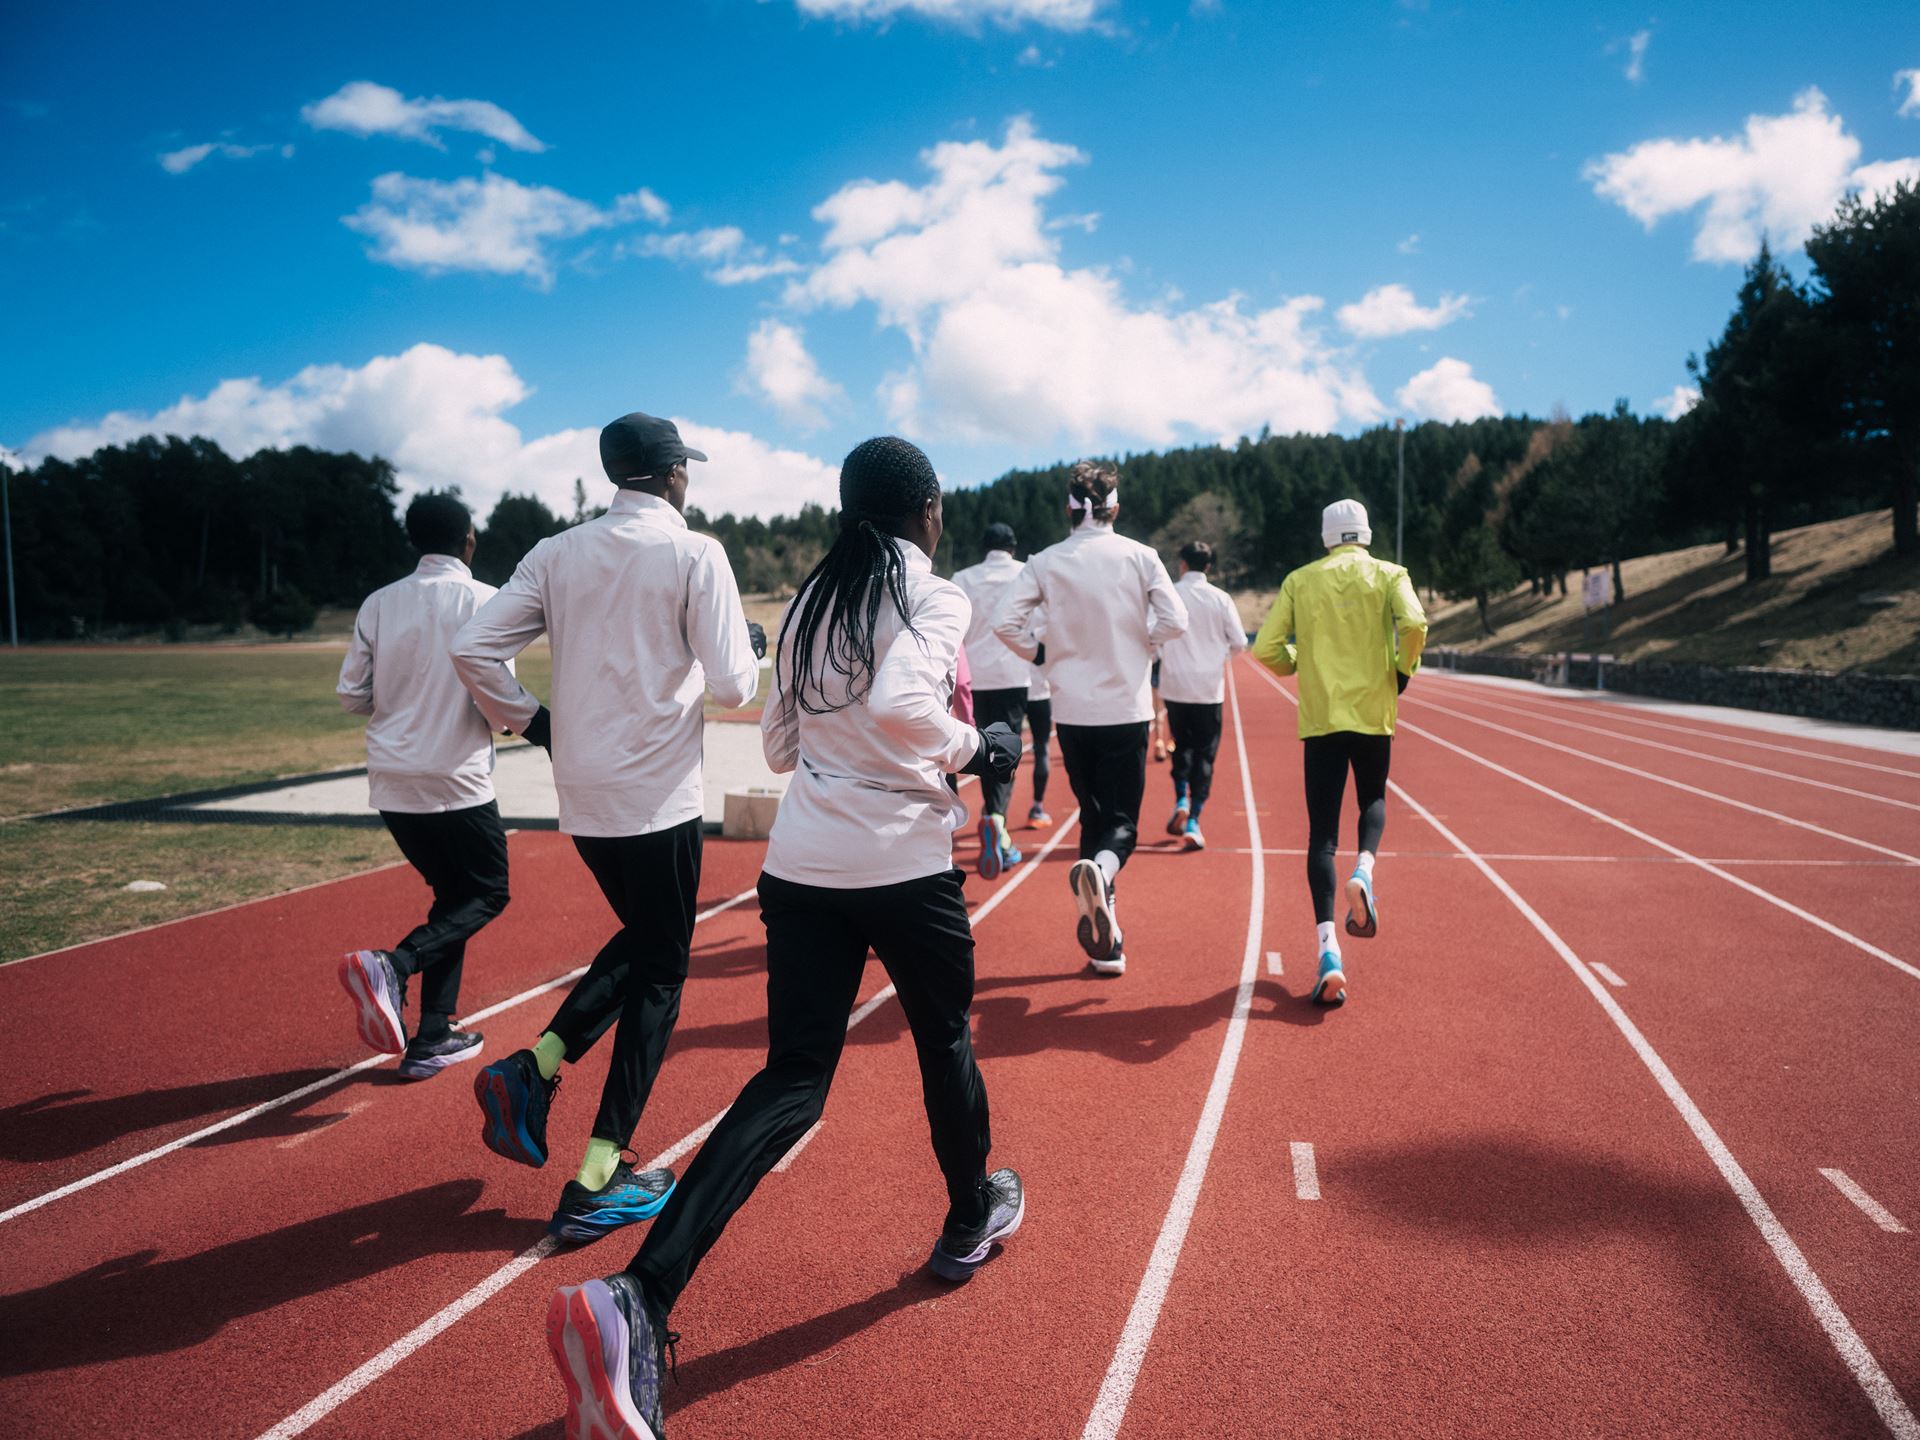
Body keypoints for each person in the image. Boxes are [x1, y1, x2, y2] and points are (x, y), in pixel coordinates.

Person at [544, 436, 1025, 1439]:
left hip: (803, 862)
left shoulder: (812, 597)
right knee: (942, 1036)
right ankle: (969, 1214)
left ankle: (640, 1295)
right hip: (899, 858)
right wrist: (976, 746)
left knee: (793, 1078)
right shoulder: (933, 596)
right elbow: (902, 703)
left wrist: (850, 753)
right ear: (926, 507)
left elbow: (776, 741)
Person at [451, 412, 766, 1243]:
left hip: (583, 788)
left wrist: (533, 721)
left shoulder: (557, 553)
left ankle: (537, 1069)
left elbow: (474, 648)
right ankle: (596, 1173)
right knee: (662, 969)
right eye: (684, 469)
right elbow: (735, 684)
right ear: (670, 474)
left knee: (647, 937)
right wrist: (741, 645)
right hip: (656, 792)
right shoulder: (697, 551)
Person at [335, 493, 508, 1079]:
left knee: (454, 896)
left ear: (414, 542)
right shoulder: (485, 600)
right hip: (456, 779)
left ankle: (434, 1033)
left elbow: (351, 694)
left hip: (391, 781)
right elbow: (498, 697)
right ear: (469, 540)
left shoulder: (378, 603)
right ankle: (394, 963)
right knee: (488, 892)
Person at [995, 460, 1187, 977]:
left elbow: (1003, 622)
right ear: (1115, 508)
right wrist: (1142, 644)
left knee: (1092, 815)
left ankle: (1109, 942)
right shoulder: (1140, 556)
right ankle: (1102, 876)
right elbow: (1175, 620)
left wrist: (1039, 655)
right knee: (1121, 824)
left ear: (1069, 509)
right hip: (1126, 707)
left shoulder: (1044, 561)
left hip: (1072, 711)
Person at [1252, 498, 1427, 1008]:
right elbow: (1415, 624)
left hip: (1323, 715)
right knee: (1373, 798)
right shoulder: (1391, 574)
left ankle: (1329, 952)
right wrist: (1400, 671)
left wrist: (1299, 666)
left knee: (1321, 836)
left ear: (1326, 535)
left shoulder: (1299, 581)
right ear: (1366, 533)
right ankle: (1365, 871)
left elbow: (1264, 648)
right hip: (1374, 711)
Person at [1156, 540, 1249, 851]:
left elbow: (1152, 634)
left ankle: (1181, 796)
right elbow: (1238, 642)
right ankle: (1194, 819)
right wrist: (1215, 656)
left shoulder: (1170, 594)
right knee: (1204, 754)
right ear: (1208, 567)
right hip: (1208, 689)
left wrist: (1166, 655)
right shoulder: (1220, 599)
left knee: (1181, 746)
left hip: (1175, 685)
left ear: (1182, 563)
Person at [952, 522, 1030, 877]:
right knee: (1006, 751)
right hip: (1012, 675)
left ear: (984, 547)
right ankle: (996, 819)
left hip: (973, 676)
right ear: (1013, 546)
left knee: (979, 748)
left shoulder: (963, 578)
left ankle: (994, 823)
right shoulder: (1026, 573)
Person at [1024, 607, 1055, 828]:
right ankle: (1037, 807)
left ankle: (995, 809)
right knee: (1042, 748)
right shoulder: (1044, 609)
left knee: (1002, 750)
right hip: (1040, 692)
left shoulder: (1009, 606)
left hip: (1012, 687)